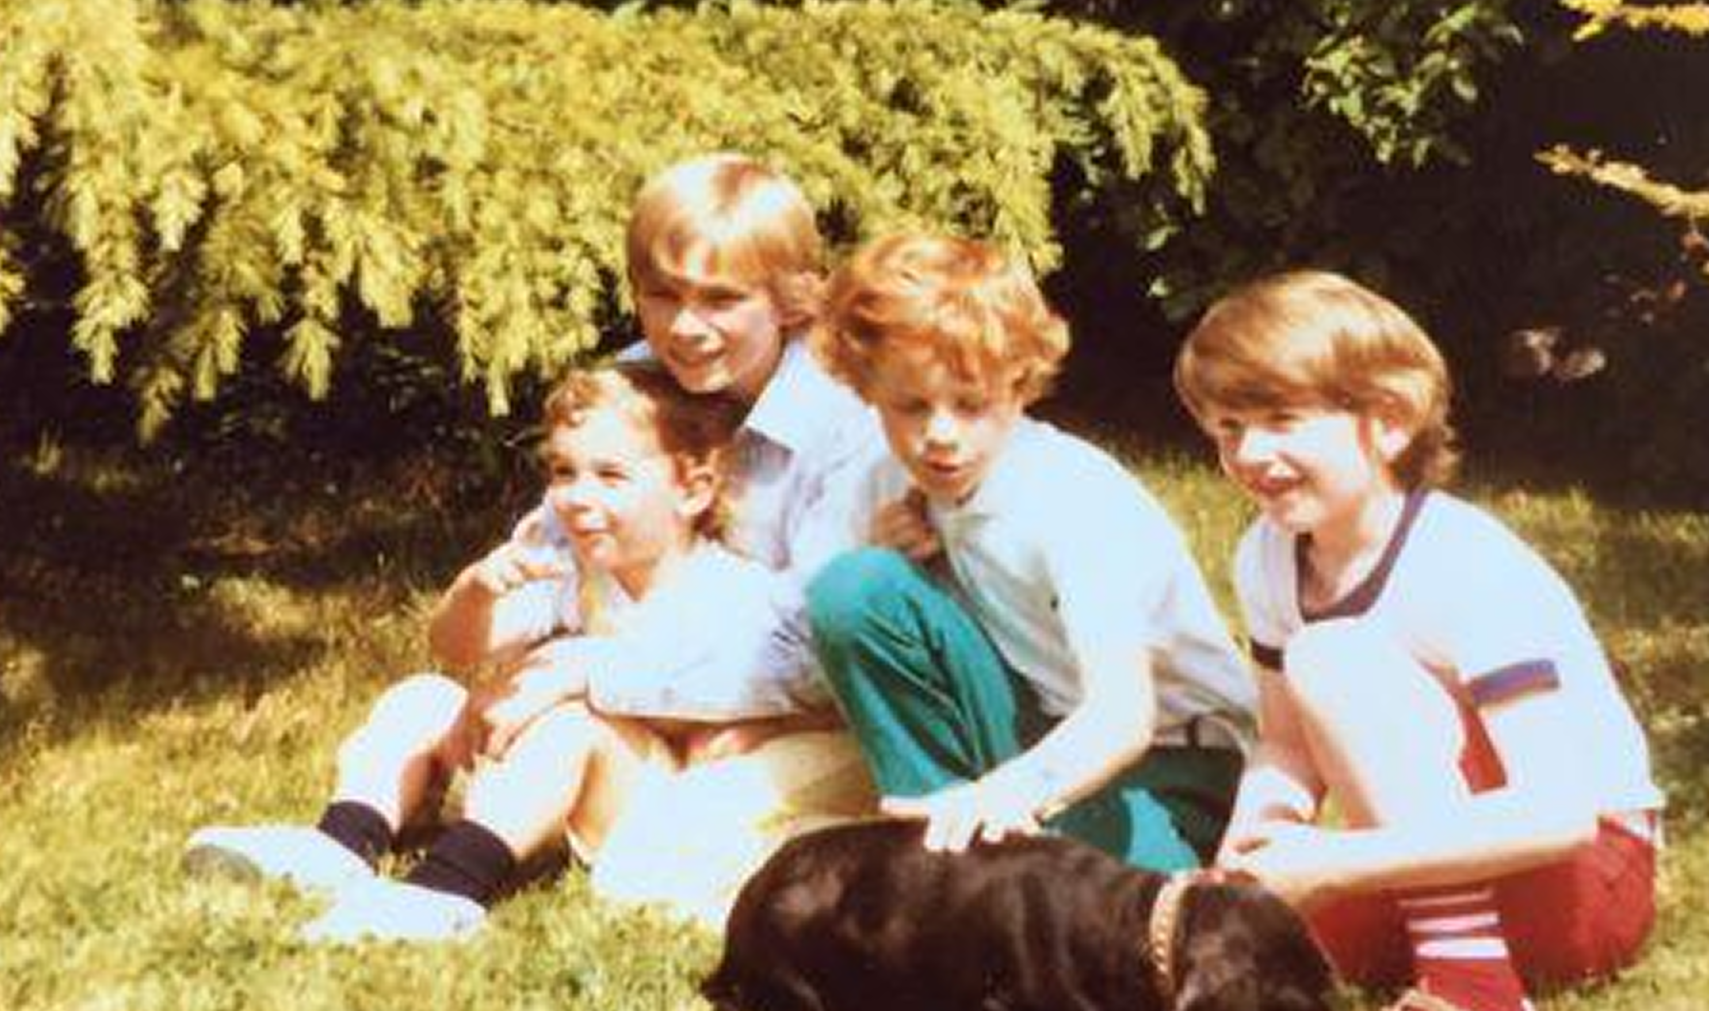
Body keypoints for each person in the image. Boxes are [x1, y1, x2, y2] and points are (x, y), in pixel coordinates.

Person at [1174, 269, 1664, 1011]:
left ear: (1389, 422)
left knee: (1332, 657)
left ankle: (1478, 1003)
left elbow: (1558, 812)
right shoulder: (1265, 553)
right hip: (1436, 864)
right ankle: (1442, 947)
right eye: (1228, 428)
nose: (1250, 454)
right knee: (1236, 954)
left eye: (1282, 420)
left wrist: (1338, 861)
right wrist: (1258, 846)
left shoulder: (1464, 564)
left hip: (1584, 878)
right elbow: (1287, 746)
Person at [184, 364, 853, 940]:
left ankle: (447, 888)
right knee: (420, 698)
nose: (577, 498)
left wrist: (574, 685)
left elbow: (770, 700)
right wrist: (475, 593)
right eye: (563, 472)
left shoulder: (729, 590)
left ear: (693, 489)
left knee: (574, 721)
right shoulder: (578, 575)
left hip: (643, 798)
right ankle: (342, 841)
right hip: (538, 771)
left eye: (611, 476)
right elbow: (453, 648)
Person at [804, 232, 1258, 872]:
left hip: (1168, 766)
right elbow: (833, 633)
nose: (939, 434)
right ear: (866, 388)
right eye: (910, 406)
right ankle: (939, 845)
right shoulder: (885, 480)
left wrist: (1010, 791)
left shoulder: (1071, 497)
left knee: (1091, 903)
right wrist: (893, 561)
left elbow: (1124, 714)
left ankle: (983, 857)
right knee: (856, 587)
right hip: (1032, 729)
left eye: (970, 405)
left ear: (1019, 386)